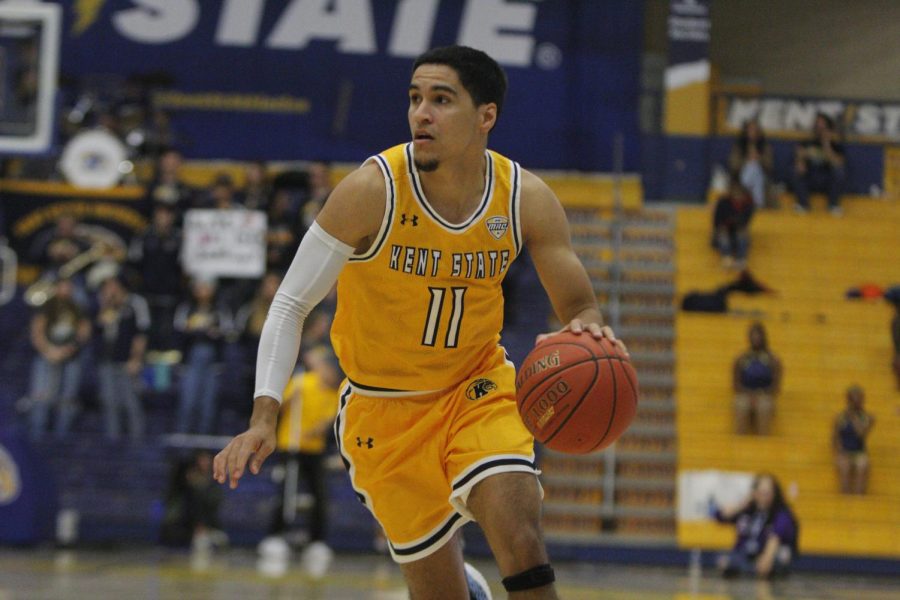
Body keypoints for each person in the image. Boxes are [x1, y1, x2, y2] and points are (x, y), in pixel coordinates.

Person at [213, 46, 627, 600]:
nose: (421, 113)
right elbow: (290, 304)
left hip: (475, 389)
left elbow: (579, 305)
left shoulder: (526, 197)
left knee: (520, 534)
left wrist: (587, 331)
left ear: (486, 116)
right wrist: (265, 416)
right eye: (414, 99)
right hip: (382, 412)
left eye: (441, 99)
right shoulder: (371, 191)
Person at [259, 344, 342, 579]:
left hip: (313, 450)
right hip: (291, 446)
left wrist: (320, 428)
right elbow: (278, 407)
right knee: (286, 492)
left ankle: (317, 541)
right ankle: (275, 535)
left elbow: (330, 418)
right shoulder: (301, 382)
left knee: (319, 495)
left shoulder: (330, 392)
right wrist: (290, 399)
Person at [25, 278, 91, 439]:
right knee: (41, 396)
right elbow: (37, 330)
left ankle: (61, 438)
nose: (65, 289)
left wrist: (69, 349)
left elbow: (84, 331)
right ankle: (37, 436)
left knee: (67, 400)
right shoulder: (48, 305)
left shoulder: (77, 307)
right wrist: (49, 350)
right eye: (62, 286)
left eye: (69, 286)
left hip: (70, 356)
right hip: (47, 355)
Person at [94, 275, 150, 441]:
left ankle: (137, 440)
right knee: (109, 402)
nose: (108, 289)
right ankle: (113, 440)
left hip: (127, 360)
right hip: (106, 360)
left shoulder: (135, 303)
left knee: (130, 402)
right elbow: (97, 327)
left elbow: (141, 333)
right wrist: (105, 304)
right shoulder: (104, 304)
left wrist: (136, 358)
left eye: (111, 286)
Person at [712, 473, 798, 579]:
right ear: (754, 493)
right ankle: (746, 570)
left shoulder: (781, 513)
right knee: (722, 558)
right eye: (760, 492)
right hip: (745, 554)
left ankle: (748, 571)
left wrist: (767, 557)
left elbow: (776, 536)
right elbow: (720, 516)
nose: (763, 497)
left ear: (774, 494)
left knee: (781, 557)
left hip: (767, 554)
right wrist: (741, 505)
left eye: (767, 493)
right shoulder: (747, 510)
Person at [792, 113, 846, 215]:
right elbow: (798, 157)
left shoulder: (836, 146)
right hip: (810, 178)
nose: (820, 129)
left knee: (840, 171)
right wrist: (800, 161)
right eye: (818, 126)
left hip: (827, 181)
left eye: (823, 126)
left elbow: (838, 163)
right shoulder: (806, 143)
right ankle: (803, 204)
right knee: (795, 170)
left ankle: (833, 205)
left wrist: (826, 145)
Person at [732, 322, 782, 435]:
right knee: (741, 405)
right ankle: (739, 441)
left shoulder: (773, 360)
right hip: (745, 393)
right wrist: (750, 394)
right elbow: (736, 385)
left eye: (758, 335)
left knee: (764, 407)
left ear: (764, 337)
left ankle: (763, 440)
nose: (755, 338)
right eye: (753, 335)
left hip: (765, 394)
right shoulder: (741, 359)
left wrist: (760, 394)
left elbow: (776, 387)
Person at [833, 385, 875, 495]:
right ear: (848, 400)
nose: (856, 402)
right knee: (844, 468)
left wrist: (853, 417)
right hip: (844, 451)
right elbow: (835, 437)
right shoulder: (839, 417)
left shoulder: (868, 417)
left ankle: (859, 497)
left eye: (859, 400)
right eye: (853, 400)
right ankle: (845, 500)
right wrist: (839, 451)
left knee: (862, 467)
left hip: (859, 452)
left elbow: (860, 434)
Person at [713, 175, 755, 269]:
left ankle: (741, 259)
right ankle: (726, 257)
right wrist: (723, 226)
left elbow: (745, 221)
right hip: (723, 230)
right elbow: (717, 221)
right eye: (735, 193)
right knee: (723, 234)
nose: (737, 196)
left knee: (742, 233)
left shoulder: (748, 205)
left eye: (740, 194)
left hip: (738, 229)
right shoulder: (722, 203)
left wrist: (735, 222)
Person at [728, 119, 773, 209]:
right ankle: (758, 204)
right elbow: (733, 164)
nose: (752, 132)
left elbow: (769, 164)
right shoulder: (739, 145)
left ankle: (757, 203)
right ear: (745, 131)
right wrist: (747, 160)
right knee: (752, 167)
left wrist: (758, 158)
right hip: (741, 175)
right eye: (750, 129)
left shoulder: (764, 145)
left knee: (755, 168)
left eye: (754, 130)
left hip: (761, 175)